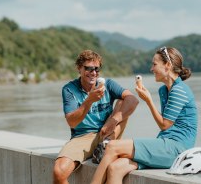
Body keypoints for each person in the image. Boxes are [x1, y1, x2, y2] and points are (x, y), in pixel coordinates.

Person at [91, 47, 198, 184]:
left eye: (154, 64)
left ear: (168, 65)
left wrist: (148, 101)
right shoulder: (164, 90)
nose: (151, 69)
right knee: (115, 168)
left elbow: (165, 125)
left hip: (177, 149)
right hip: (164, 145)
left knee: (112, 147)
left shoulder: (179, 90)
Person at [53, 50, 139, 184]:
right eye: (88, 69)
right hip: (83, 136)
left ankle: (105, 146)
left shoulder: (108, 84)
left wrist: (112, 121)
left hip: (108, 133)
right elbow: (72, 122)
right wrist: (89, 100)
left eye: (97, 69)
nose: (93, 73)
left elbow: (133, 100)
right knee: (59, 172)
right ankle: (102, 150)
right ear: (79, 69)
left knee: (123, 101)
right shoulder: (69, 89)